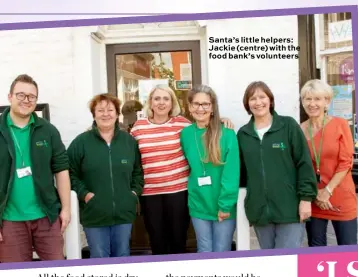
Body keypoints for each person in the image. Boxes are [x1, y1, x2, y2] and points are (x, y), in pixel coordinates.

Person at [130, 84, 234, 255]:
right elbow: (126, 149)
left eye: (166, 99)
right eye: (157, 98)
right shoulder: (138, 127)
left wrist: (221, 120)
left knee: (178, 240)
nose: (161, 103)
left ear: (172, 103)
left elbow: (203, 125)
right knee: (157, 241)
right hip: (150, 194)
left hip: (178, 191)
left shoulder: (182, 124)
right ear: (150, 102)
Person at [237, 81, 317, 249]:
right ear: (247, 104)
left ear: (270, 100)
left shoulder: (288, 126)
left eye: (262, 97)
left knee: (286, 261)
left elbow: (304, 163)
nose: (258, 102)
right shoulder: (243, 134)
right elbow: (241, 174)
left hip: (290, 209)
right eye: (252, 98)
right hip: (260, 212)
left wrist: (306, 199)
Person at [0, 74, 71, 262]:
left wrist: (66, 209)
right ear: (10, 97)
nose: (26, 100)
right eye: (21, 95)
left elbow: (62, 169)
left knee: (56, 268)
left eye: (31, 96)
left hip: (46, 216)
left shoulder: (48, 130)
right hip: (9, 220)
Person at [67, 93, 144, 258]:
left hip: (124, 214)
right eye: (100, 110)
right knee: (100, 257)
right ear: (94, 115)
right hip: (94, 215)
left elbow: (138, 171)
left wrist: (132, 194)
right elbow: (69, 174)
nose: (106, 114)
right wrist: (85, 195)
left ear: (117, 114)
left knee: (122, 255)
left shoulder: (128, 142)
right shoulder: (81, 143)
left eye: (110, 110)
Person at [180, 84, 240, 253]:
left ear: (213, 107)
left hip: (222, 204)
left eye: (205, 104)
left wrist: (225, 205)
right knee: (204, 249)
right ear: (190, 107)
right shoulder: (185, 134)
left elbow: (231, 173)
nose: (201, 108)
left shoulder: (227, 134)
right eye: (196, 104)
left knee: (221, 250)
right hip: (198, 203)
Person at [300, 79, 357, 246]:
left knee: (348, 248)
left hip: (340, 197)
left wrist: (327, 191)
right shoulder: (299, 129)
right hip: (314, 198)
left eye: (317, 99)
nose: (312, 104)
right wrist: (315, 194)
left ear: (327, 102)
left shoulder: (340, 125)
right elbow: (301, 167)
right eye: (308, 99)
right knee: (316, 248)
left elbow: (346, 162)